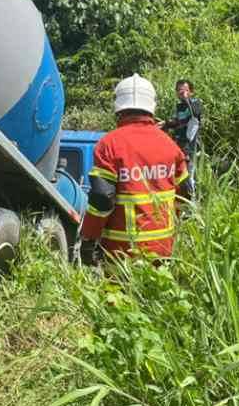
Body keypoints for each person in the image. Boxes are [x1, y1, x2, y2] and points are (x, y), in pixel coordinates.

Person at [80, 74, 192, 266]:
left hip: (121, 254)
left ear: (118, 107)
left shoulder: (109, 144)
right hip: (163, 252)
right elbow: (186, 194)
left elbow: (102, 198)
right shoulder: (170, 145)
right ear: (151, 106)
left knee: (118, 296)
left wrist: (89, 239)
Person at [160, 79, 203, 195]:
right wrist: (166, 123)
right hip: (180, 145)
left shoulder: (195, 102)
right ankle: (184, 198)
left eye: (185, 90)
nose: (181, 93)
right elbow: (177, 122)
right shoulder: (179, 106)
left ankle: (193, 203)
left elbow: (195, 114)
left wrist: (186, 99)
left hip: (191, 145)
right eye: (179, 90)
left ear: (191, 92)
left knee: (189, 173)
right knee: (180, 173)